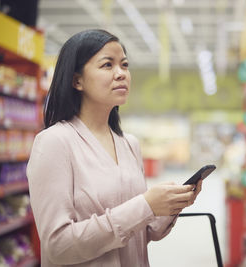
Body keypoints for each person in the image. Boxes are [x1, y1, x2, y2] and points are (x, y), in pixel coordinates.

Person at [27, 29, 203, 267]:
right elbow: (57, 246)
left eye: (125, 65)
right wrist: (145, 205)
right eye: (107, 65)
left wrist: (171, 206)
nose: (121, 74)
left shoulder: (129, 144)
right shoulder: (54, 143)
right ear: (76, 80)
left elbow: (143, 233)